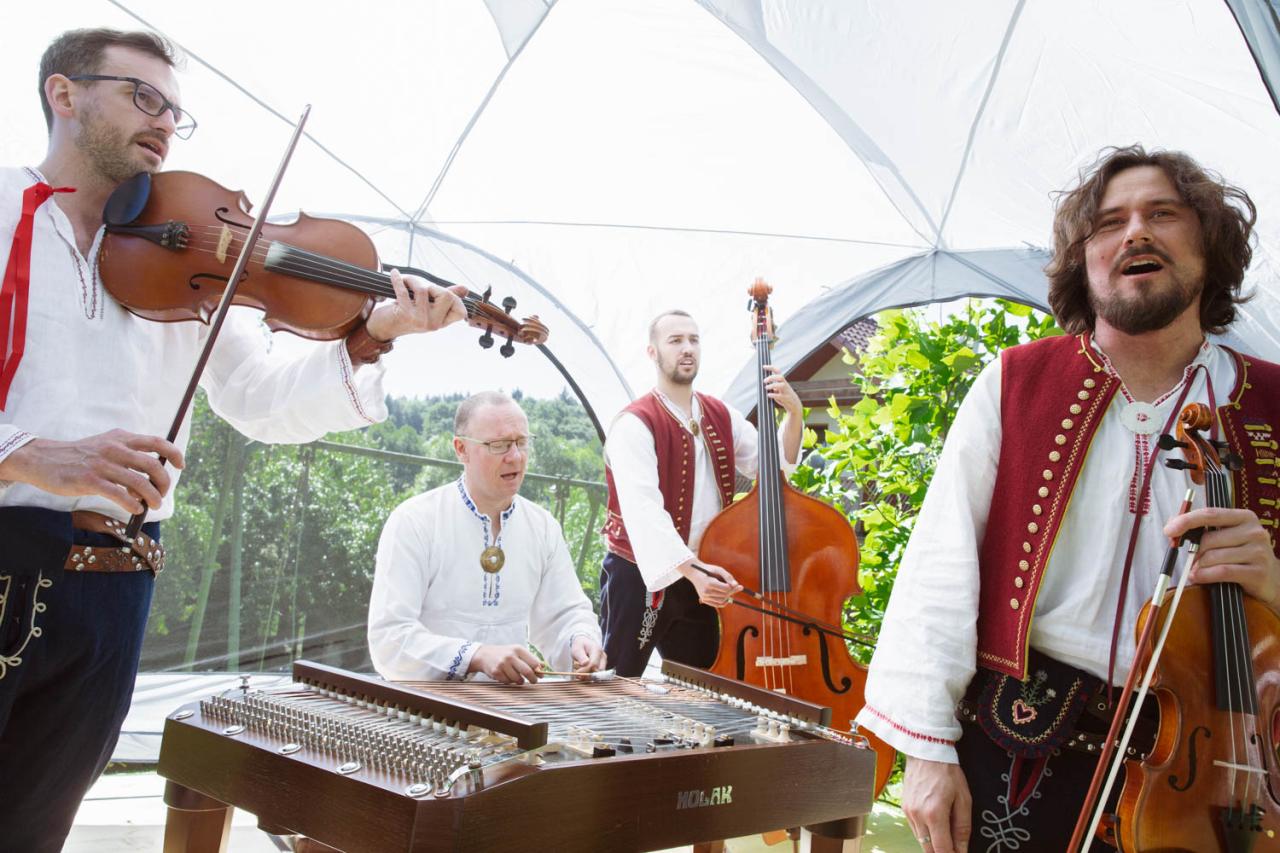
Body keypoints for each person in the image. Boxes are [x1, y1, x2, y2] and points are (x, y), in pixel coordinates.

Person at [0, 28, 469, 851]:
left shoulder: (185, 251)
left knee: (33, 829)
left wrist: (370, 337)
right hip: (8, 550)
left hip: (117, 580)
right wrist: (29, 454)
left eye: (174, 111)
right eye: (143, 97)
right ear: (63, 94)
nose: (164, 122)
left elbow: (259, 397)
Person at [855, 146, 1280, 853]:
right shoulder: (1015, 381)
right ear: (1085, 261)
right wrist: (927, 749)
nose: (1135, 232)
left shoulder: (1273, 401)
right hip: (1020, 741)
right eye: (1109, 223)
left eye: (1163, 214)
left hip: (1216, 772)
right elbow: (941, 565)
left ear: (1209, 244)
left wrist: (1273, 581)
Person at [600, 308, 804, 677]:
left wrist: (794, 415)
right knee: (618, 681)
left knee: (701, 688)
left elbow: (774, 470)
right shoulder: (634, 423)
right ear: (652, 352)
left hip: (704, 575)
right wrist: (694, 573)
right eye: (675, 340)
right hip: (640, 574)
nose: (687, 348)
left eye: (693, 340)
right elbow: (644, 512)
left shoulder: (720, 414)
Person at [368, 391, 605, 684]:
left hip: (510, 704)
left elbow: (563, 615)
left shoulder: (543, 526)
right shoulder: (414, 521)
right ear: (461, 449)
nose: (515, 456)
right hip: (425, 703)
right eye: (499, 445)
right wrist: (474, 655)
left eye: (521, 442)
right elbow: (389, 638)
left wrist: (579, 640)